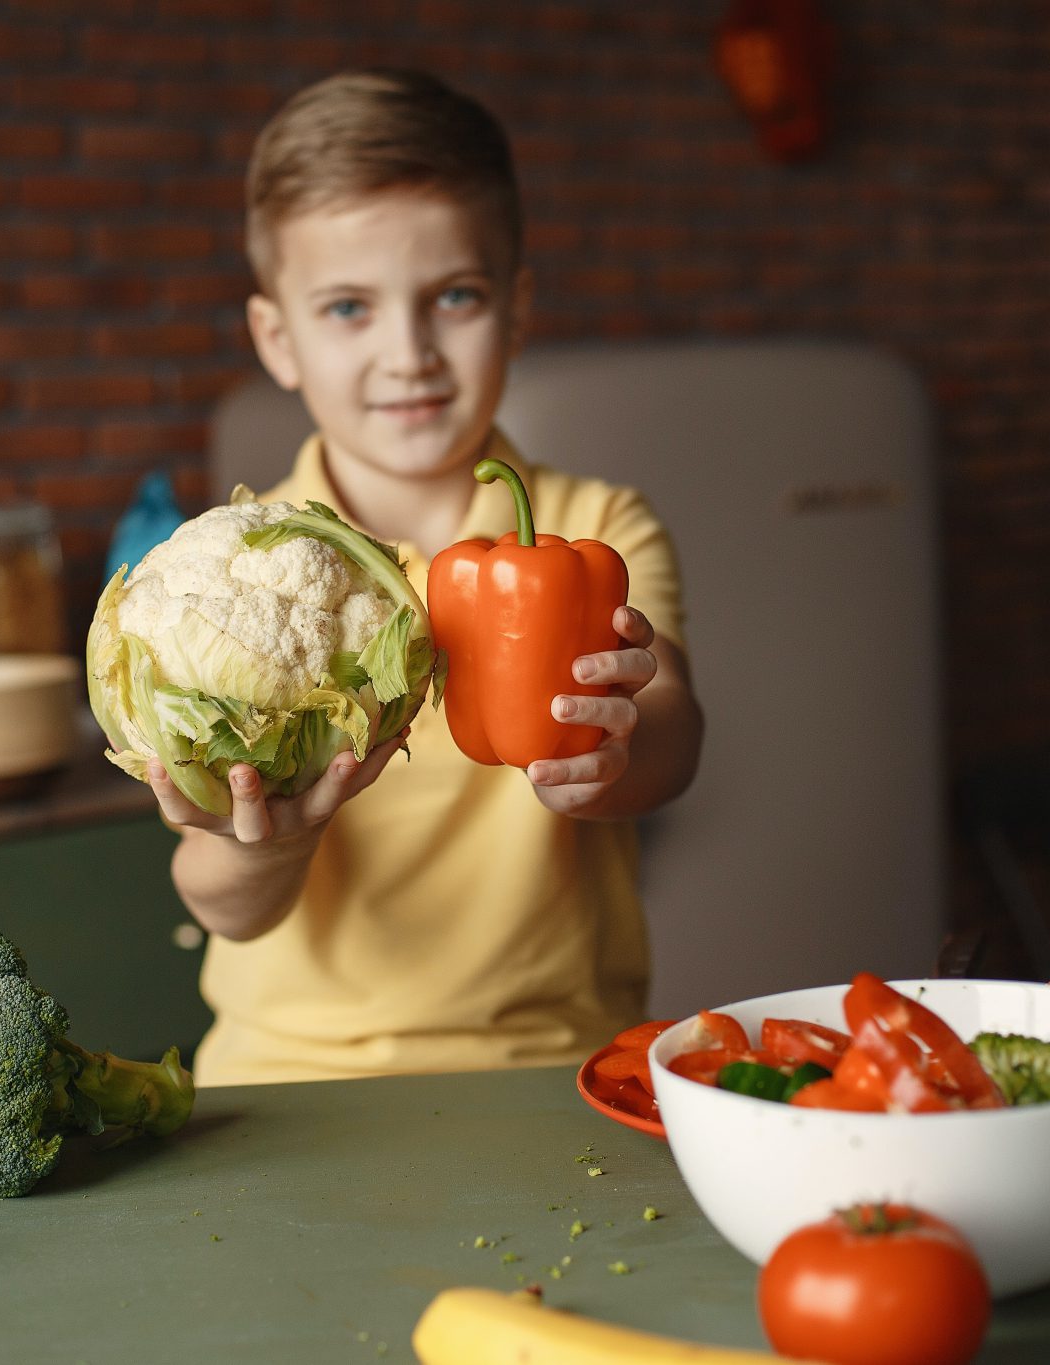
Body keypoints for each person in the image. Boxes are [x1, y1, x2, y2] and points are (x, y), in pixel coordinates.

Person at [147, 68, 704, 1085]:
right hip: (288, 1084)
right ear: (278, 339)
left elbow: (671, 731)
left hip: (551, 1066)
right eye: (349, 307)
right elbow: (219, 899)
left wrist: (620, 752)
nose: (408, 354)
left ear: (516, 310)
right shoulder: (236, 584)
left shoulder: (595, 529)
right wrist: (264, 850)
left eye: (453, 296)